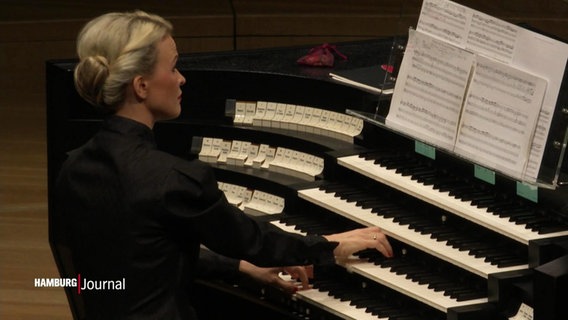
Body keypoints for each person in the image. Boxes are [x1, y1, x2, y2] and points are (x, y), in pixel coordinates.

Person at [55, 10, 393, 319]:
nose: (182, 79)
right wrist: (330, 247)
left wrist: (239, 268)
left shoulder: (75, 167)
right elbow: (255, 241)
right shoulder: (173, 180)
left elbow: (140, 259)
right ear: (141, 86)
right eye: (173, 67)